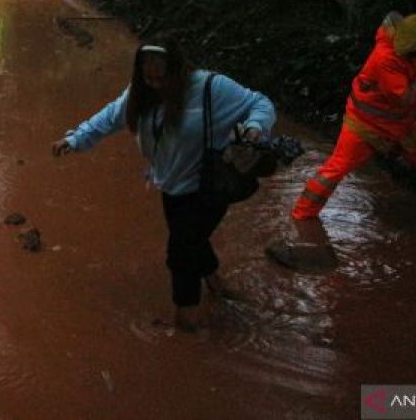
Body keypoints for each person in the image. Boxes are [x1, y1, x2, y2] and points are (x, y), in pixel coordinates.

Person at [51, 37, 276, 332]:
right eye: (148, 77)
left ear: (178, 70)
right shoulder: (140, 94)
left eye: (162, 77)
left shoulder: (210, 87)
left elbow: (261, 103)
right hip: (172, 186)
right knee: (191, 239)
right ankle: (217, 285)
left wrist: (255, 127)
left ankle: (187, 322)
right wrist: (74, 140)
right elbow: (108, 118)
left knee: (180, 253)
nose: (155, 84)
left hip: (210, 185)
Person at [291, 12, 416, 220]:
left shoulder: (414, 37)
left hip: (399, 124)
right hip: (364, 125)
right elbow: (405, 98)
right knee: (335, 170)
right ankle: (301, 215)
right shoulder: (385, 59)